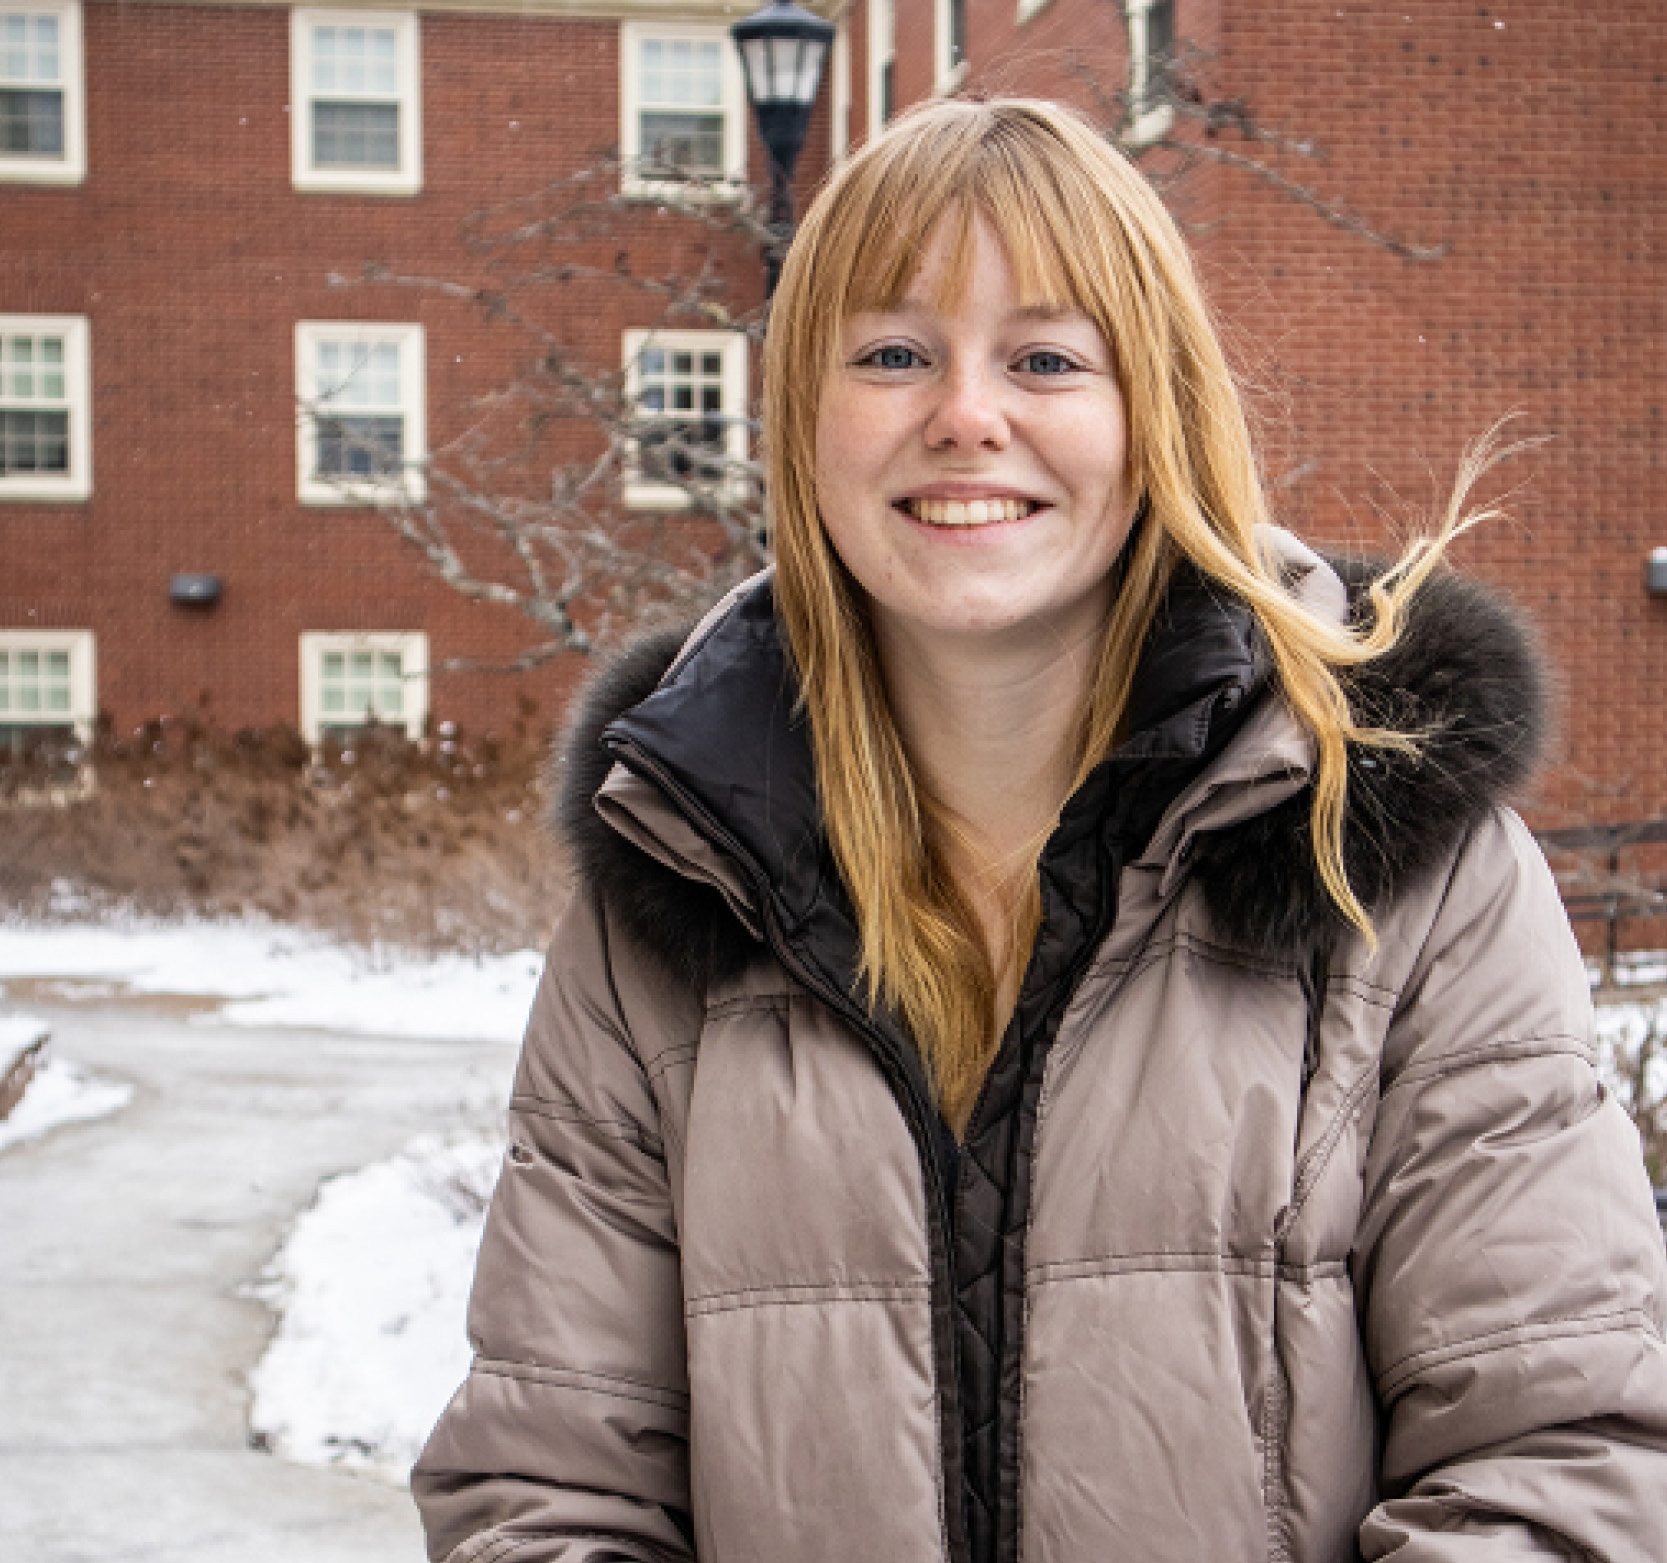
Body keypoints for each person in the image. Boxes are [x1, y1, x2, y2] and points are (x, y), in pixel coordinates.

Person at [413, 98, 1667, 1562]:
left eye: (1047, 359)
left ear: (1157, 413)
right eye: (891, 353)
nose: (964, 413)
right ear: (805, 427)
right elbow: (551, 1489)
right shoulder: (671, 886)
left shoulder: (1392, 861)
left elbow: (1558, 1458)